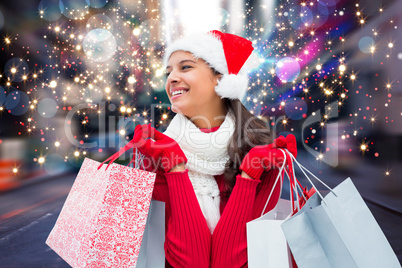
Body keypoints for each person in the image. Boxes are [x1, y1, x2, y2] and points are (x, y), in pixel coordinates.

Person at [131, 30, 297, 268]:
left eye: (185, 67)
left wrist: (249, 176)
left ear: (220, 78)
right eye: (169, 72)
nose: (172, 79)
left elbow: (229, 263)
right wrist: (175, 166)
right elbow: (191, 263)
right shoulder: (157, 154)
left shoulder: (260, 152)